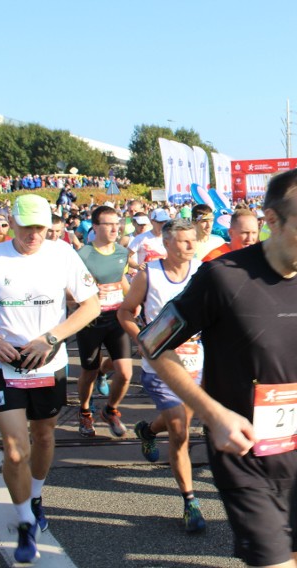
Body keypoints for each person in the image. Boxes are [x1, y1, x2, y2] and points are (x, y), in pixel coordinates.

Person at [140, 168, 297, 567]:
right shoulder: (223, 278)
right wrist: (213, 413)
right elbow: (152, 344)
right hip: (241, 451)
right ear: (271, 221)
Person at [0, 194, 99, 564]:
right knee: (16, 448)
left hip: (48, 362)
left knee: (44, 436)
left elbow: (91, 304)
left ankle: (35, 495)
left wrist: (51, 337)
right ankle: (23, 519)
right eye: (26, 226)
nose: (33, 235)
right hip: (1, 363)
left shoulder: (62, 254)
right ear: (11, 223)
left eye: (40, 227)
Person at [118, 218, 207, 532]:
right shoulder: (149, 274)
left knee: (177, 421)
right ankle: (190, 502)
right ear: (167, 244)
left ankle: (148, 430)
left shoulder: (202, 272)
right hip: (161, 363)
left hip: (196, 361)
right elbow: (125, 311)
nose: (190, 246)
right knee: (180, 430)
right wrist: (142, 338)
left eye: (192, 240)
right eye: (183, 241)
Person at [74, 206, 133, 438]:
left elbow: (121, 281)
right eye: (108, 224)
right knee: (88, 372)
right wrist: (88, 295)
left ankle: (110, 409)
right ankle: (85, 411)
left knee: (126, 373)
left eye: (116, 224)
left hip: (116, 319)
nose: (113, 228)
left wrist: (133, 301)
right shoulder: (83, 255)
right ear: (95, 227)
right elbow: (71, 293)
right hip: (90, 321)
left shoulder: (122, 252)